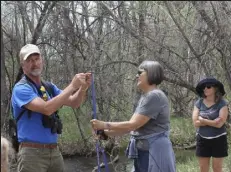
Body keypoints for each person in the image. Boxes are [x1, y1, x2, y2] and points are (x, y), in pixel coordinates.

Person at [11, 44, 91, 172]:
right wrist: (72, 86)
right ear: (23, 65)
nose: (34, 63)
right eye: (29, 60)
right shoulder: (21, 88)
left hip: (54, 151)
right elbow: (47, 108)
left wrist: (83, 88)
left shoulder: (49, 87)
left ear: (42, 61)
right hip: (31, 154)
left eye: (37, 59)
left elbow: (74, 102)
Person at [91, 60, 176, 172]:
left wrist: (104, 124)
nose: (137, 76)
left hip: (154, 153)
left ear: (151, 73)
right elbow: (132, 129)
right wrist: (104, 133)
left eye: (140, 72)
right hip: (144, 152)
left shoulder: (155, 96)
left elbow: (132, 125)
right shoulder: (146, 97)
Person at [192, 77, 229, 172]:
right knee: (203, 169)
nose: (205, 89)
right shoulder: (199, 103)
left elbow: (220, 124)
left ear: (215, 88)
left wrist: (203, 121)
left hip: (219, 139)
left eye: (208, 86)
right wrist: (213, 121)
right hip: (202, 139)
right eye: (204, 87)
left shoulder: (222, 103)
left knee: (217, 168)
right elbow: (195, 123)